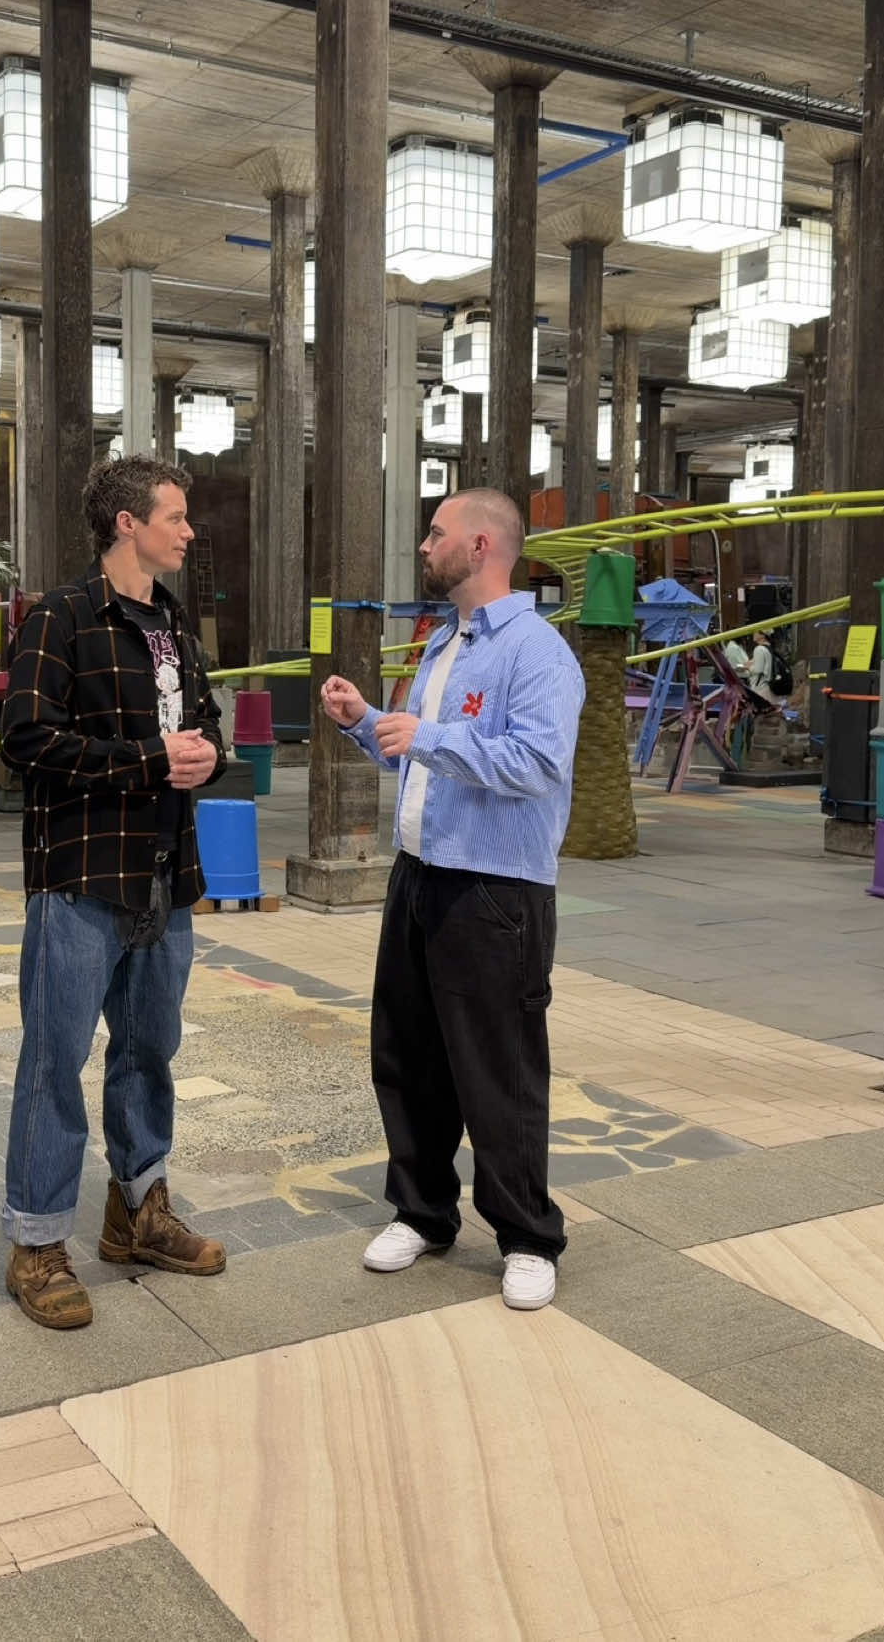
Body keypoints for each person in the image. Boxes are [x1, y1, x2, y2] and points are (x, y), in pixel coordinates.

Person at [321, 489, 585, 1313]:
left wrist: (425, 737)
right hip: (420, 875)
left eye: (435, 533)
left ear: (478, 546)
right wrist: (368, 721)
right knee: (406, 1055)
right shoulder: (445, 643)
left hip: (493, 890)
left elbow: (539, 764)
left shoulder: (535, 652)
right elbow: (425, 755)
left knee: (496, 1069)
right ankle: (422, 1212)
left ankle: (526, 1236)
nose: (424, 544)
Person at [0, 452, 227, 1330]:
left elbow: (194, 723)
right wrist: (148, 760)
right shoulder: (60, 617)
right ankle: (35, 1241)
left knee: (148, 1054)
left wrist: (202, 753)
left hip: (164, 875)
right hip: (81, 877)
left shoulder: (172, 623)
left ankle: (138, 1214)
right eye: (174, 515)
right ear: (127, 523)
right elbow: (24, 740)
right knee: (55, 1062)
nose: (187, 529)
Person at [748, 630, 775, 700]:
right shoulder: (769, 647)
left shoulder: (759, 649)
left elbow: (758, 670)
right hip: (768, 687)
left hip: (760, 688)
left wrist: (748, 667)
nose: (753, 633)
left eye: (756, 631)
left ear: (762, 636)